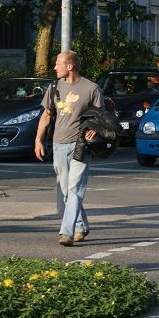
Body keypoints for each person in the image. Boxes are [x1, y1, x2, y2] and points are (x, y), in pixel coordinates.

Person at [34, 51, 103, 247]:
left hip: (81, 145)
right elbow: (46, 115)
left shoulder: (91, 88)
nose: (55, 67)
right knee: (65, 190)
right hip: (58, 144)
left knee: (75, 188)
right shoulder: (54, 86)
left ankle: (67, 232)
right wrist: (38, 140)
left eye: (58, 64)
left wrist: (94, 130)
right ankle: (81, 226)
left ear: (70, 66)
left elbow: (101, 117)